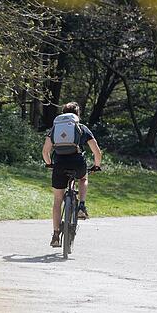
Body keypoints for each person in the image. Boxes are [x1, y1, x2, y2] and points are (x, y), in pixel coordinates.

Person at [42, 102, 102, 248]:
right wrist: (96, 166)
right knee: (83, 177)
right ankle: (81, 206)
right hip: (77, 162)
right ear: (77, 114)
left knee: (57, 200)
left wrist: (50, 164)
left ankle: (56, 235)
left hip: (59, 164)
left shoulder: (55, 129)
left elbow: (45, 152)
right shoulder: (81, 128)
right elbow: (97, 152)